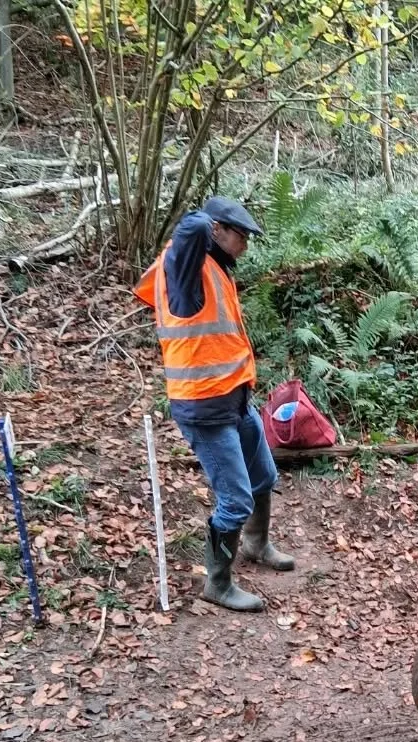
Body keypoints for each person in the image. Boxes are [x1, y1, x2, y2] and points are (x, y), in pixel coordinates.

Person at [134, 197, 293, 613]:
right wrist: (208, 219)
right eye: (241, 235)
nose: (246, 245)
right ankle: (218, 585)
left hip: (234, 399)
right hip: (204, 409)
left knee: (263, 474)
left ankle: (257, 544)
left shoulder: (215, 269)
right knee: (235, 499)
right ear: (218, 231)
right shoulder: (185, 267)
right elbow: (189, 230)